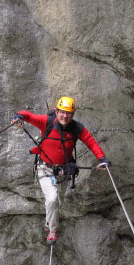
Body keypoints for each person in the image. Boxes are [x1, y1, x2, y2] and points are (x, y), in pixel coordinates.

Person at [11, 96, 111, 244]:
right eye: (62, 112)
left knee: (58, 201)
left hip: (64, 170)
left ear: (73, 113)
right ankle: (52, 230)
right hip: (45, 168)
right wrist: (18, 116)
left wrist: (102, 158)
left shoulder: (77, 128)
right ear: (57, 111)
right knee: (51, 199)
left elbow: (91, 141)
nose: (65, 115)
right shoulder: (47, 122)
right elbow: (28, 116)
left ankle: (48, 221)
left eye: (69, 113)